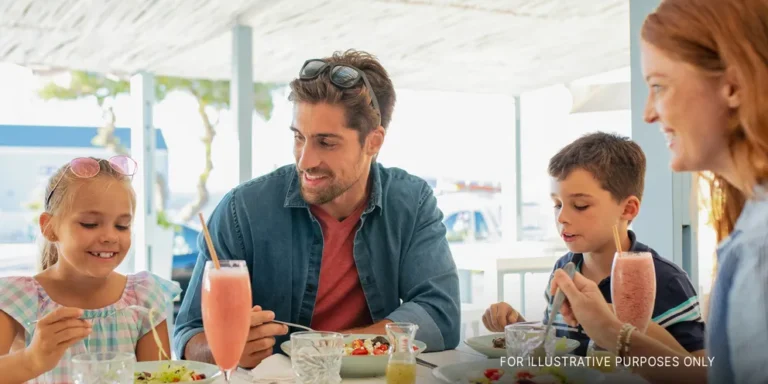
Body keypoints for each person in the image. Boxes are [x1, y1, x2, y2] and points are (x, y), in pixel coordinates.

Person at [174, 49, 461, 368]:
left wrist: (331, 349)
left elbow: (440, 315)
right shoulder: (241, 210)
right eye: (299, 137)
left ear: (373, 142)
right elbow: (189, 333)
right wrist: (224, 348)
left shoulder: (412, 200)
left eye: (326, 142)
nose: (304, 161)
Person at [548, 0, 768, 383]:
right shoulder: (749, 230)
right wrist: (613, 332)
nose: (648, 113)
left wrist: (617, 334)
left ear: (732, 85)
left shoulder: (758, 248)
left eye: (658, 86)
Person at [482, 132, 705, 356]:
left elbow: (699, 372)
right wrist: (518, 326)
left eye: (580, 205)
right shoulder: (565, 270)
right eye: (557, 204)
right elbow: (556, 350)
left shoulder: (666, 280)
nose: (561, 217)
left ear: (627, 209)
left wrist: (614, 322)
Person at [0, 156, 180, 383]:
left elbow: (158, 378)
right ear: (50, 227)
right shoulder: (15, 299)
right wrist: (32, 360)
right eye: (90, 224)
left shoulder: (144, 297)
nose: (110, 237)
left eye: (122, 225)